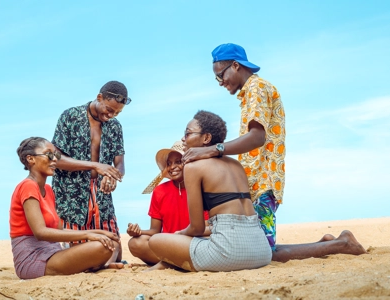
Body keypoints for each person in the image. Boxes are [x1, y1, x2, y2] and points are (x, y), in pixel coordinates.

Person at [182, 43, 366, 262]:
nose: (221, 82)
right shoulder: (252, 91)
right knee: (262, 246)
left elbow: (257, 138)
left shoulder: (256, 88)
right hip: (257, 182)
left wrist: (213, 150)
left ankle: (342, 244)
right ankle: (328, 244)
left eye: (221, 76)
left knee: (265, 252)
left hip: (264, 182)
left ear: (235, 65)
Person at [148, 111, 272, 272]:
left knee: (156, 241)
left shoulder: (193, 167)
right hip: (262, 251)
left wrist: (178, 234)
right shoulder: (236, 165)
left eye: (188, 133)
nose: (183, 139)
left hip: (229, 252)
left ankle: (170, 263)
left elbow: (197, 228)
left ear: (206, 138)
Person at [10, 137, 123, 279]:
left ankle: (95, 266)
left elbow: (59, 230)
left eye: (56, 155)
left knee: (112, 243)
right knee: (103, 247)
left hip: (53, 252)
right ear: (31, 159)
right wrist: (88, 235)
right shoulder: (28, 186)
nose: (55, 160)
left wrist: (99, 231)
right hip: (34, 259)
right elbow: (40, 232)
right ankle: (95, 265)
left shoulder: (48, 190)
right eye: (49, 154)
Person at [51, 80, 131, 262]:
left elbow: (120, 164)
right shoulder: (70, 116)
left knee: (114, 249)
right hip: (71, 194)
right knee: (76, 252)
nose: (111, 115)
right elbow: (55, 159)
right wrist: (95, 166)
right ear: (99, 97)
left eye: (117, 112)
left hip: (102, 196)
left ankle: (104, 266)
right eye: (109, 109)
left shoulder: (115, 126)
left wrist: (113, 176)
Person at [127, 142, 209, 265]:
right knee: (135, 243)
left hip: (195, 243)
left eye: (178, 162)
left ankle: (169, 263)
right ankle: (178, 263)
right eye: (169, 164)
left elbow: (208, 228)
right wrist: (137, 231)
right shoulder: (159, 191)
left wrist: (182, 235)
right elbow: (155, 231)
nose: (172, 167)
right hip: (169, 245)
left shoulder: (202, 188)